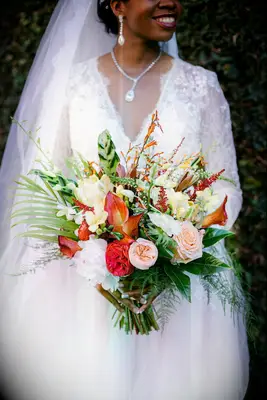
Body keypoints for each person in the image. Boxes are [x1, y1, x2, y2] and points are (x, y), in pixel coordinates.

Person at [0, 0, 249, 399]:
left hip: (178, 292)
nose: (170, 2)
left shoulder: (201, 86)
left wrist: (176, 242)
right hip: (85, 290)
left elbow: (227, 187)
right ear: (117, 4)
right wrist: (92, 241)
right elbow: (48, 185)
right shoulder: (72, 87)